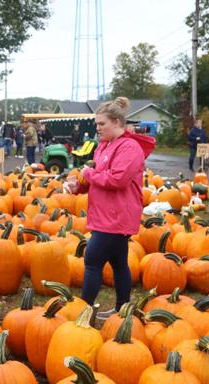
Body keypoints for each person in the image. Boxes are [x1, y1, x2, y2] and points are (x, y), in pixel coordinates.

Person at [65, 97, 156, 319]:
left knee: (92, 260)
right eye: (96, 125)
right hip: (105, 214)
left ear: (116, 122)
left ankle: (84, 312)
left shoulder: (130, 147)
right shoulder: (103, 146)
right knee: (118, 263)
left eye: (101, 124)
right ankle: (122, 309)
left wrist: (88, 174)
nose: (97, 129)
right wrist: (79, 186)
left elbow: (117, 180)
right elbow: (98, 177)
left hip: (118, 216)